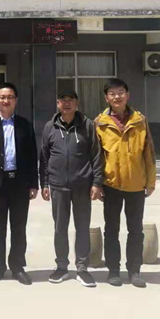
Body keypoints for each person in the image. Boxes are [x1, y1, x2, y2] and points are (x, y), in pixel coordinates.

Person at [95, 78, 157, 288]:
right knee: (111, 230)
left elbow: (149, 152)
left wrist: (151, 181)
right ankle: (113, 271)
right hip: (111, 184)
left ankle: (134, 270)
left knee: (135, 230)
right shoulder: (100, 123)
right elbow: (96, 157)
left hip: (136, 184)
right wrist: (97, 183)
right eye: (112, 94)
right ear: (106, 98)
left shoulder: (140, 120)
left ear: (127, 95)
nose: (117, 97)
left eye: (121, 92)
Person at [40, 89, 104, 288]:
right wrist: (45, 183)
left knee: (82, 228)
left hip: (82, 186)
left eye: (71, 100)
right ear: (57, 103)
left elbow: (96, 155)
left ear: (77, 103)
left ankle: (82, 269)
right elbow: (44, 157)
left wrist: (96, 182)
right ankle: (61, 266)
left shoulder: (88, 125)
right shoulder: (50, 127)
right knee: (60, 228)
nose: (66, 103)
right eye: (63, 100)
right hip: (58, 186)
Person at [0, 82, 39, 285]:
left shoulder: (25, 124)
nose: (6, 100)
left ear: (16, 100)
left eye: (10, 97)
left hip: (19, 183)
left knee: (19, 228)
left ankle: (17, 267)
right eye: (2, 97)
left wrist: (33, 184)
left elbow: (32, 156)